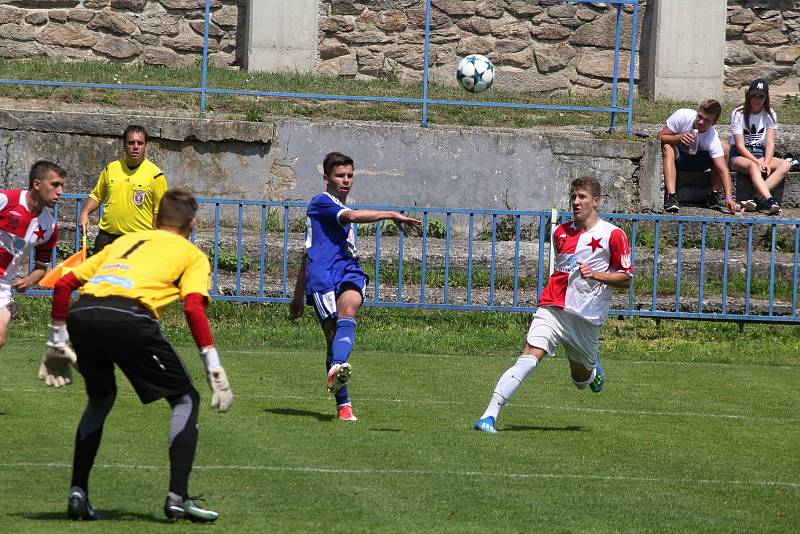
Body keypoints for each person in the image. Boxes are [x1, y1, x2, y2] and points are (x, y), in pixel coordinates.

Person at [44, 189, 233, 523]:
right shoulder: (192, 254)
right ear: (192, 225)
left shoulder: (124, 242)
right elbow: (192, 307)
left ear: (157, 219)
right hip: (131, 318)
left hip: (83, 314)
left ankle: (78, 493)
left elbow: (63, 285)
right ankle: (177, 498)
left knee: (100, 398)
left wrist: (57, 341)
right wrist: (213, 365)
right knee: (185, 400)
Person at [474, 176, 633, 434]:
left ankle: (592, 372)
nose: (576, 202)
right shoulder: (560, 232)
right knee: (528, 358)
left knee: (580, 381)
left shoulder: (613, 235)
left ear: (596, 201)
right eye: (573, 197)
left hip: (586, 319)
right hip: (553, 307)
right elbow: (563, 270)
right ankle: (488, 416)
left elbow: (626, 277)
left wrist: (597, 275)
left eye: (582, 197)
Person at [288, 152, 421, 421]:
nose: (346, 180)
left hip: (347, 268)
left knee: (350, 307)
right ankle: (343, 404)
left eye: (350, 175)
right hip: (323, 276)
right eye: (340, 175)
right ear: (326, 178)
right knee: (332, 336)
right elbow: (347, 220)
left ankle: (337, 368)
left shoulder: (335, 207)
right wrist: (298, 295)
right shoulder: (321, 203)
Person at [0, 161, 63, 357]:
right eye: (55, 185)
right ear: (37, 184)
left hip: (2, 285)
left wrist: (28, 280)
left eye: (62, 186)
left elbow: (41, 267)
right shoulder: (6, 200)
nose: (60, 191)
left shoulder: (49, 227)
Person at [78, 125, 168, 254]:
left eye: (140, 143)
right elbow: (97, 195)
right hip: (107, 238)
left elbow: (159, 212)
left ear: (145, 146)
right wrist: (85, 213)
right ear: (124, 145)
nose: (135, 147)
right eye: (131, 143)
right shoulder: (111, 168)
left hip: (138, 242)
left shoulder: (156, 175)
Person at [659, 100, 739, 214]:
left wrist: (729, 198)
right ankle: (671, 196)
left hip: (700, 161)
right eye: (699, 117)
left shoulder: (711, 137)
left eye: (707, 120)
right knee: (667, 147)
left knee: (725, 148)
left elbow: (723, 170)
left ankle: (713, 194)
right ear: (697, 112)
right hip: (679, 157)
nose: (700, 122)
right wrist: (678, 138)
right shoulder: (683, 116)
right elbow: (660, 137)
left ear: (713, 123)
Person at [729, 79, 790, 215]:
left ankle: (756, 198)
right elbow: (739, 146)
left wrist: (767, 162)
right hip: (740, 156)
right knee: (753, 166)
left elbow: (770, 142)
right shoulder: (738, 113)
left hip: (761, 154)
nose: (757, 99)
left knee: (785, 165)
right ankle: (769, 200)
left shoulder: (770, 114)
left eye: (761, 96)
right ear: (748, 95)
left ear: (766, 97)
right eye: (753, 95)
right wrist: (757, 162)